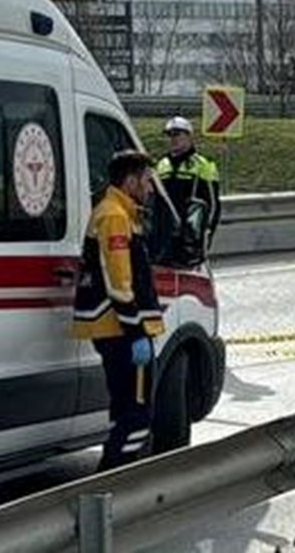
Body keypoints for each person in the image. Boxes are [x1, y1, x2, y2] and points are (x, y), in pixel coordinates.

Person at [75, 150, 165, 470]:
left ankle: (109, 483)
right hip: (120, 330)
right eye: (146, 181)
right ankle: (115, 481)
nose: (151, 189)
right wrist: (137, 332)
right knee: (137, 414)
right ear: (130, 181)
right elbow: (119, 283)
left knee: (123, 410)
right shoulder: (115, 216)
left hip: (116, 329)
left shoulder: (120, 212)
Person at [157, 116, 221, 248]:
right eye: (169, 135)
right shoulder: (161, 164)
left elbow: (213, 205)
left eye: (177, 134)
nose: (172, 139)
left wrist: (207, 233)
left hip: (190, 235)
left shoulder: (203, 165)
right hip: (163, 235)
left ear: (189, 136)